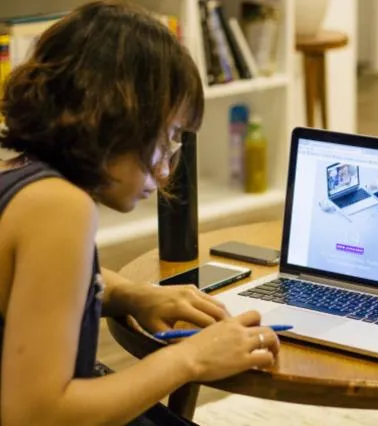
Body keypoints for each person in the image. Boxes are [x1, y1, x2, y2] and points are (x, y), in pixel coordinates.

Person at [0, 1, 279, 425]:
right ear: (113, 116)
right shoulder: (60, 208)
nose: (167, 168)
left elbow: (32, 281)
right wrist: (192, 358)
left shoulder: (15, 168)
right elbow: (35, 414)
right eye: (165, 138)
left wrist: (132, 293)